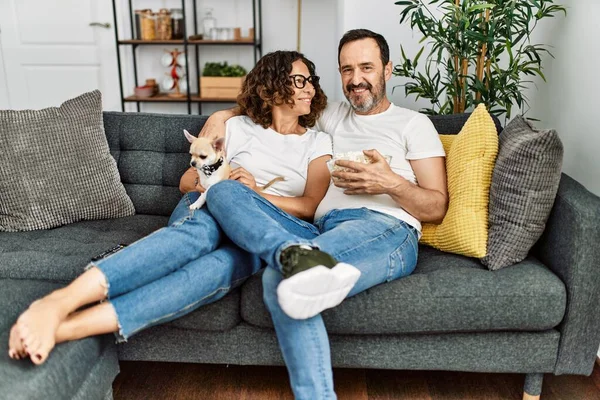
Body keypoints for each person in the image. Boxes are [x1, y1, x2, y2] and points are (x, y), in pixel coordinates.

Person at [7, 50, 333, 365]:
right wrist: (219, 180)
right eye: (299, 80)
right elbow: (187, 181)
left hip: (263, 226)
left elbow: (308, 207)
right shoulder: (233, 127)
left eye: (310, 80)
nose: (311, 87)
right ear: (270, 86)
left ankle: (67, 327)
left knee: (218, 269)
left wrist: (254, 193)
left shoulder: (318, 142)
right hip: (208, 204)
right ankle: (61, 301)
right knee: (198, 234)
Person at [199, 29, 449, 399]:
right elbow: (275, 102)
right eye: (346, 70)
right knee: (274, 274)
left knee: (289, 277)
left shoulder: (413, 124)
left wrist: (390, 182)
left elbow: (437, 206)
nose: (356, 79)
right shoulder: (331, 118)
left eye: (366, 67)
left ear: (388, 70)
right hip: (318, 228)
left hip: (384, 228)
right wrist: (223, 115)